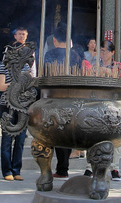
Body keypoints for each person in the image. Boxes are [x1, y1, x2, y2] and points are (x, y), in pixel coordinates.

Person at [43, 25, 82, 179]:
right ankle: (63, 168)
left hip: (54, 98)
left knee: (56, 132)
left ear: (54, 39)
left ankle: (60, 168)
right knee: (67, 131)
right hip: (72, 98)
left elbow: (46, 75)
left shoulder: (50, 54)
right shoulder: (76, 56)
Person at [84, 40, 121, 181]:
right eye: (101, 50)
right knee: (93, 136)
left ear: (112, 52)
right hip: (97, 104)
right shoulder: (95, 65)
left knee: (114, 138)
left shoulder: (118, 66)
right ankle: (90, 167)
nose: (103, 53)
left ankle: (115, 168)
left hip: (113, 105)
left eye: (106, 51)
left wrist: (109, 72)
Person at [0, 42, 30, 181]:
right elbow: (2, 86)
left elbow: (29, 84)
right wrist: (17, 83)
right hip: (7, 105)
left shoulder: (26, 67)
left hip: (22, 106)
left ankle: (17, 170)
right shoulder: (2, 67)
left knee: (20, 140)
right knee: (6, 140)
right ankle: (7, 171)